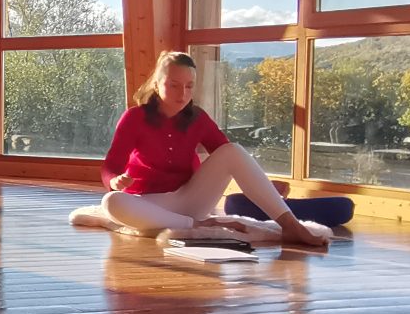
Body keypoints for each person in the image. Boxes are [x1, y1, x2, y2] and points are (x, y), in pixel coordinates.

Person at [98, 51, 332, 249]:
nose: (183, 94)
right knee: (111, 203)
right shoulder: (134, 117)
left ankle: (291, 226)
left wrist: (268, 185)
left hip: (191, 200)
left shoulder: (198, 118)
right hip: (149, 203)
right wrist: (115, 181)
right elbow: (110, 166)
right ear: (157, 84)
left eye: (189, 86)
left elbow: (230, 158)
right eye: (174, 85)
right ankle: (198, 226)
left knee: (233, 149)